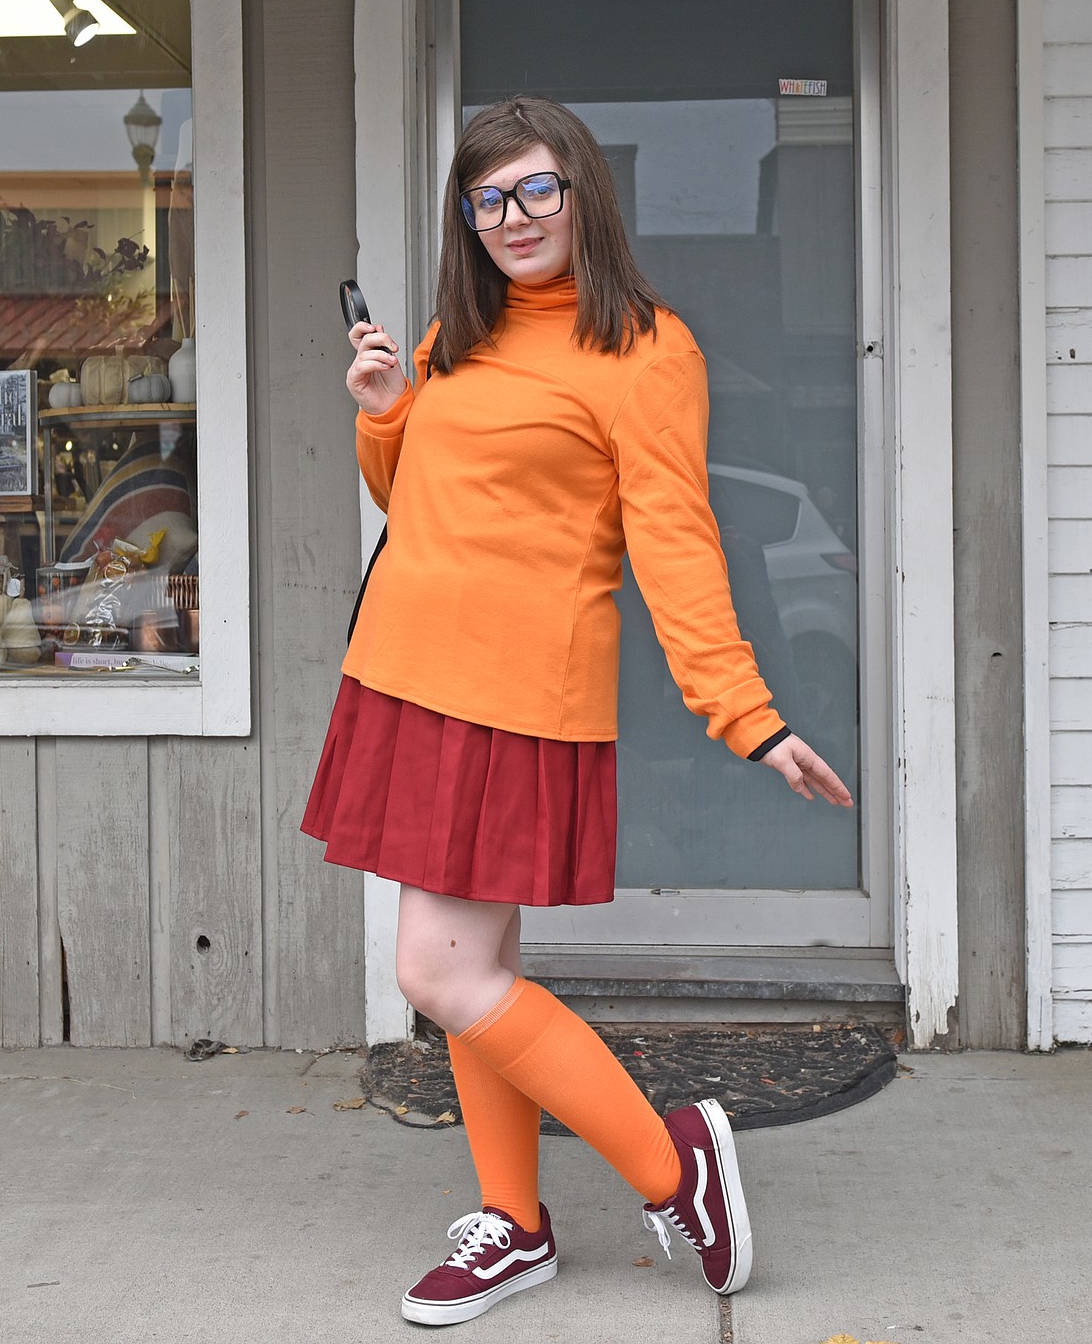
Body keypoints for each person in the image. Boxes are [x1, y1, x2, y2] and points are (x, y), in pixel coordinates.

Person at [303, 95, 853, 1327]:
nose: (514, 217)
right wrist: (387, 405)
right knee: (482, 965)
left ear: (584, 194)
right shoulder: (460, 335)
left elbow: (678, 545)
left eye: (537, 189)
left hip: (513, 695)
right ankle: (515, 1223)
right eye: (488, 198)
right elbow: (416, 500)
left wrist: (743, 711)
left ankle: (678, 1169)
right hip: (404, 678)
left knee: (436, 972)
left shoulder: (646, 350)